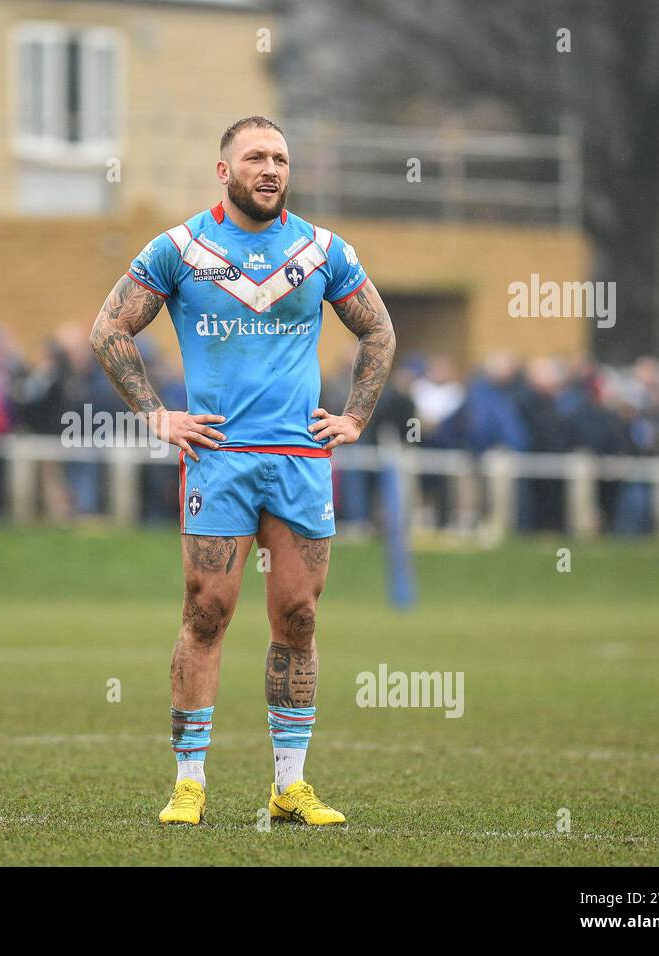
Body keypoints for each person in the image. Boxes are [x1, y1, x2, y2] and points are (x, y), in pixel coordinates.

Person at [89, 115, 396, 826]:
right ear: (223, 171)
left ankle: (289, 787)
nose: (271, 169)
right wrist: (156, 413)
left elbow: (377, 328)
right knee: (207, 612)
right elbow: (108, 328)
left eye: (281, 159)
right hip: (218, 459)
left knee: (299, 616)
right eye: (256, 157)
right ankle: (188, 784)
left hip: (299, 460)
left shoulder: (322, 250)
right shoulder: (181, 249)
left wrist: (353, 417)